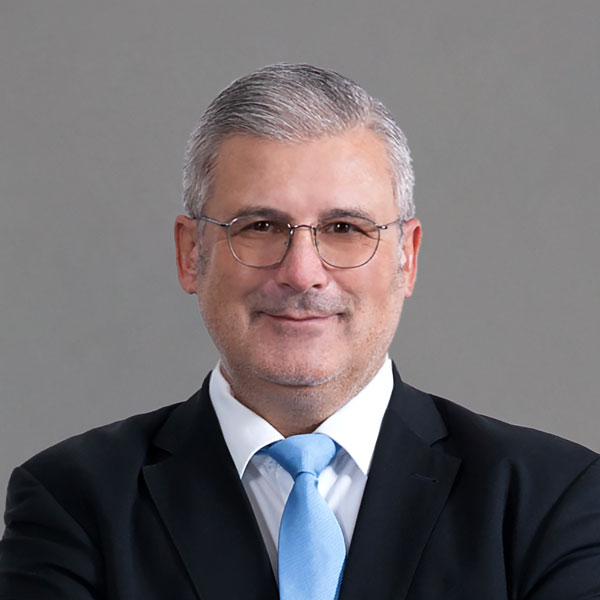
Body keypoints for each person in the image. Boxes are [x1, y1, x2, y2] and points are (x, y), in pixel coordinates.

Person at [0, 63, 598, 600]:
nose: (302, 272)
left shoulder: (553, 499)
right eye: (260, 226)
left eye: (344, 228)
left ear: (407, 258)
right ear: (191, 253)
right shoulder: (73, 502)